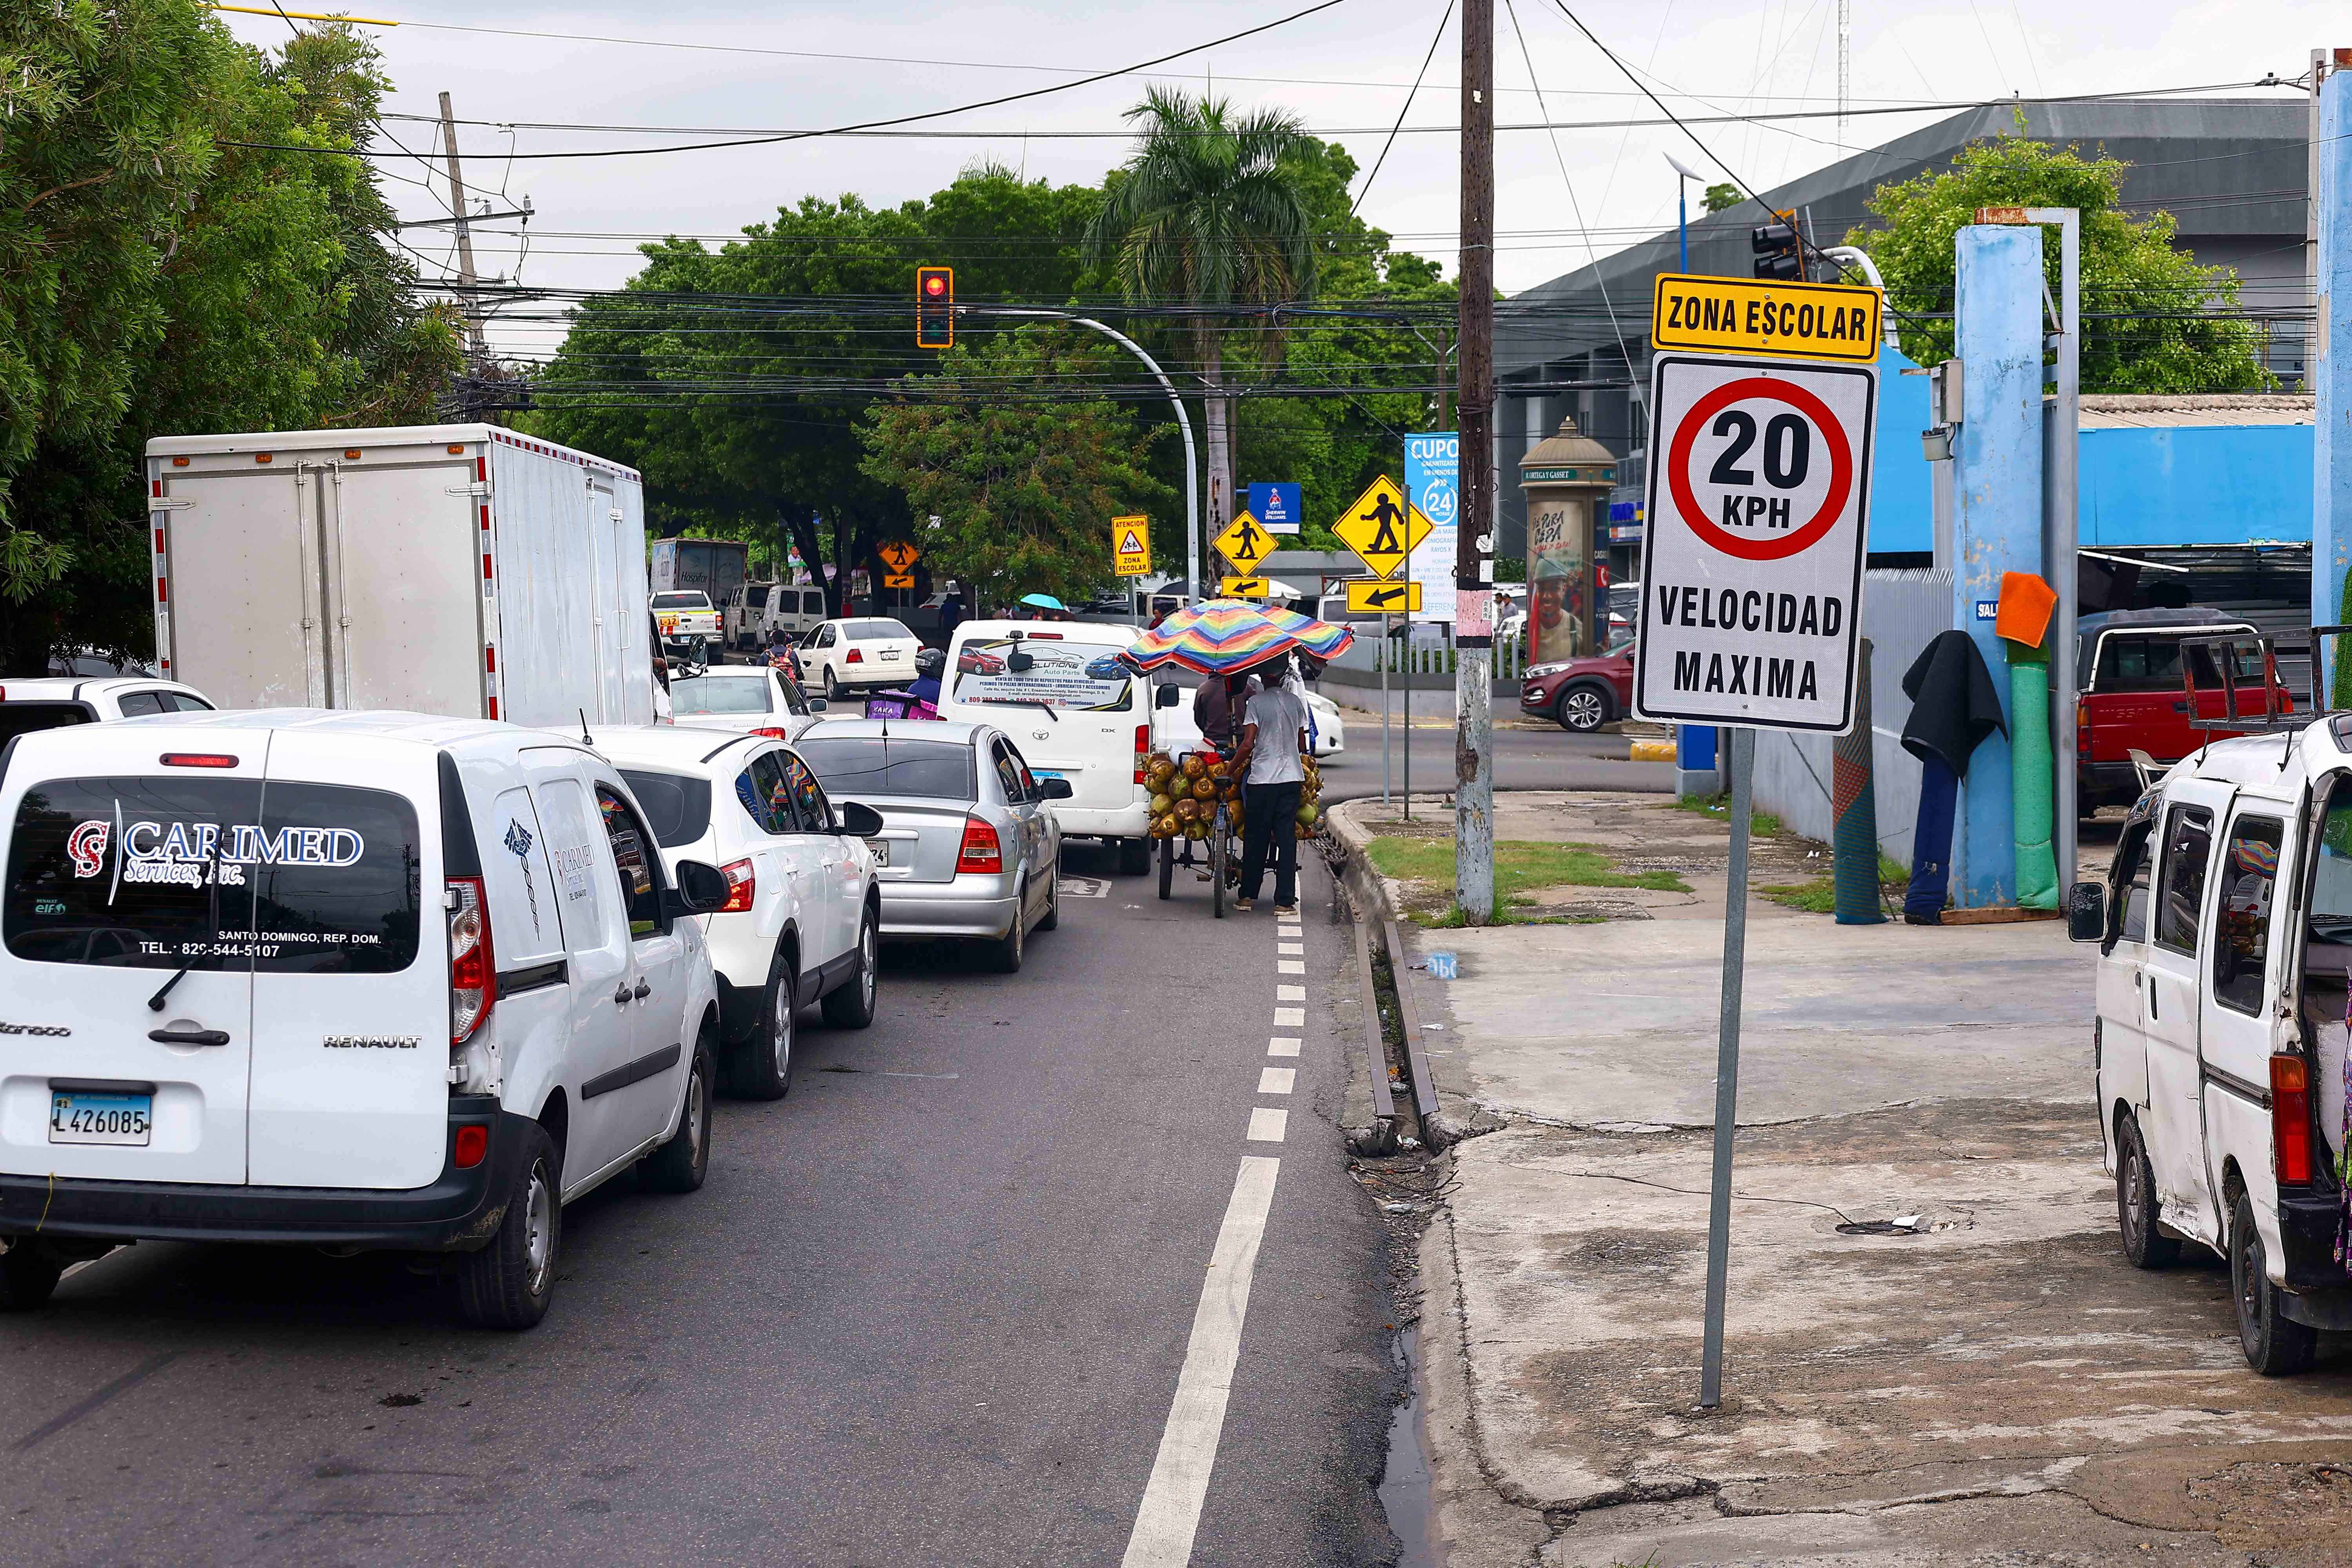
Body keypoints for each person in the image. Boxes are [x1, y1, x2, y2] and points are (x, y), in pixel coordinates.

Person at [1230, 661, 1310, 915]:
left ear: (1263, 676)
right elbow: (1301, 743)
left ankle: (1247, 897)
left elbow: (1247, 744)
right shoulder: (1296, 703)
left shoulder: (1255, 703)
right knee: (1286, 840)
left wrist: (1229, 771)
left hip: (1262, 782)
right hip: (1290, 781)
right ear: (1283, 675)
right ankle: (1285, 902)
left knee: (1256, 839)